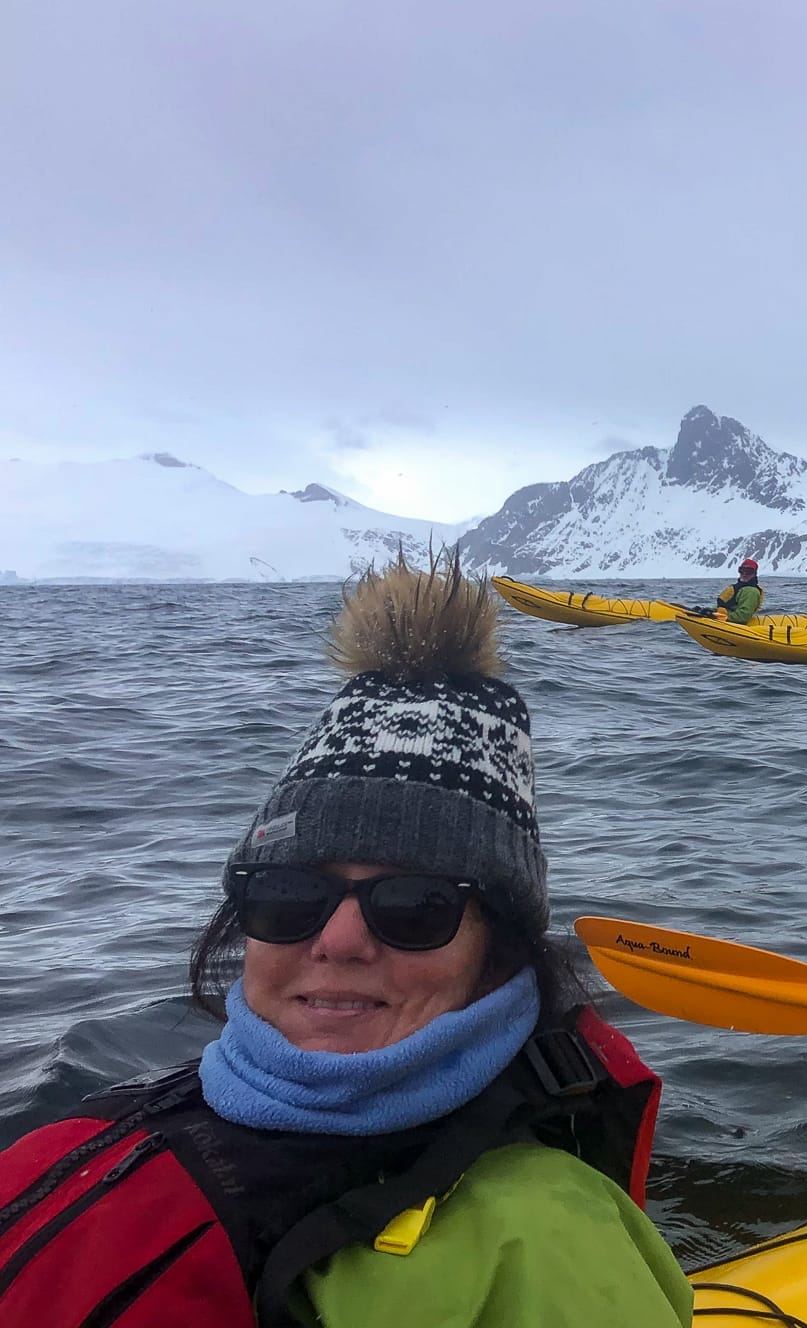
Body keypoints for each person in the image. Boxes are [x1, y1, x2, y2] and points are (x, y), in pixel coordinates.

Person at [0, 552, 693, 1327]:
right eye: (289, 895)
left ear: (497, 951)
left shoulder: (540, 1243)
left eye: (416, 905)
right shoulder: (81, 1141)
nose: (338, 940)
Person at [716, 559, 764, 623]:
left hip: (734, 624)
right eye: (742, 571)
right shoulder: (737, 588)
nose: (744, 574)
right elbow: (722, 605)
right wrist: (711, 611)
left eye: (748, 571)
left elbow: (743, 616)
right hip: (724, 618)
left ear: (754, 574)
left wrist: (718, 616)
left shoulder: (752, 592)